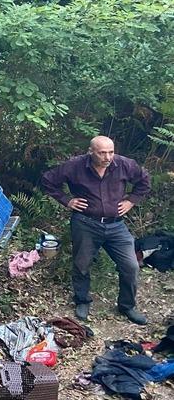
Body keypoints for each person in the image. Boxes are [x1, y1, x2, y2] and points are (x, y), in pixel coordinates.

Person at [42, 135, 151, 325]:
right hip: (85, 223)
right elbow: (48, 180)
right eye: (102, 153)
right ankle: (82, 300)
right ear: (91, 152)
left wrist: (131, 201)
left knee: (131, 266)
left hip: (116, 225)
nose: (107, 157)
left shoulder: (124, 164)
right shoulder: (75, 166)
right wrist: (67, 200)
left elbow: (144, 180)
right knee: (82, 264)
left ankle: (127, 306)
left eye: (111, 152)